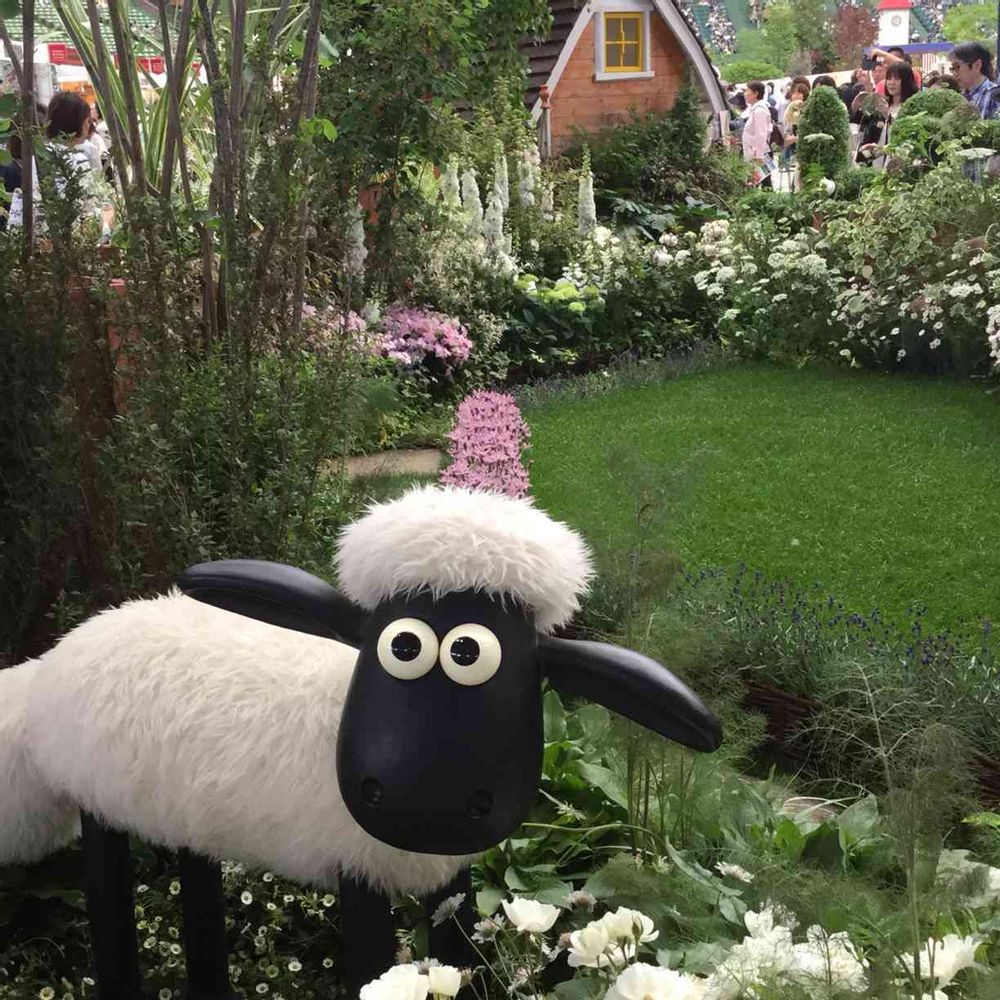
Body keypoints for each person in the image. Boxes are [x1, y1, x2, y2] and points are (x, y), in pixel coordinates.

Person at [857, 62, 918, 167]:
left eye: (897, 79)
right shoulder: (884, 107)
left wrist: (888, 117)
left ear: (907, 80)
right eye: (889, 78)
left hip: (900, 166)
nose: (891, 83)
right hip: (879, 166)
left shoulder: (911, 108)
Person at [949, 41, 1000, 119]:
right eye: (952, 68)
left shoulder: (995, 96)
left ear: (977, 65)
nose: (954, 73)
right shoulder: (958, 97)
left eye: (957, 66)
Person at [741, 80, 773, 186]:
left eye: (747, 91)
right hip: (755, 154)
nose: (745, 94)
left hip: (759, 154)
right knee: (759, 183)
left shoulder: (759, 111)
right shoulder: (754, 109)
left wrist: (759, 155)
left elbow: (761, 133)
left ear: (756, 93)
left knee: (763, 184)